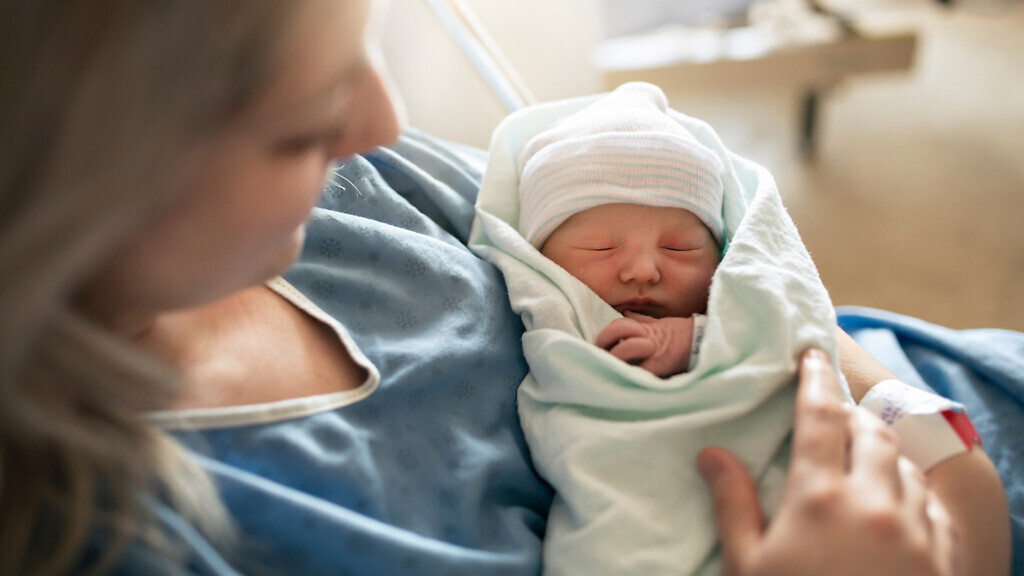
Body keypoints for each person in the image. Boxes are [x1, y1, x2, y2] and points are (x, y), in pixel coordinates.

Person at [0, 3, 1009, 576]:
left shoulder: (358, 191)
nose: (385, 122)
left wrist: (942, 453)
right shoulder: (139, 539)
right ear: (75, 173)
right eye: (302, 119)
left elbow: (769, 274)